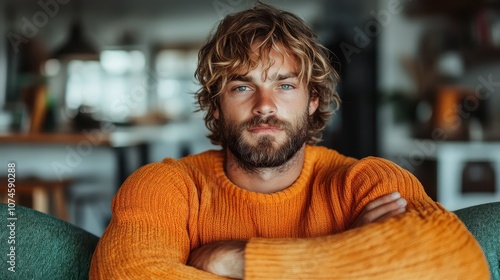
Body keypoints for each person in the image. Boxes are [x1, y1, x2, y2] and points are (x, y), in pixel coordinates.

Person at [90, 3, 489, 279]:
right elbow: (123, 274)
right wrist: (350, 255)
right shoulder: (164, 188)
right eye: (242, 87)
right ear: (215, 106)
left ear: (313, 100)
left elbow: (461, 265)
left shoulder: (368, 182)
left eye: (284, 85)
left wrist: (234, 260)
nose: (265, 106)